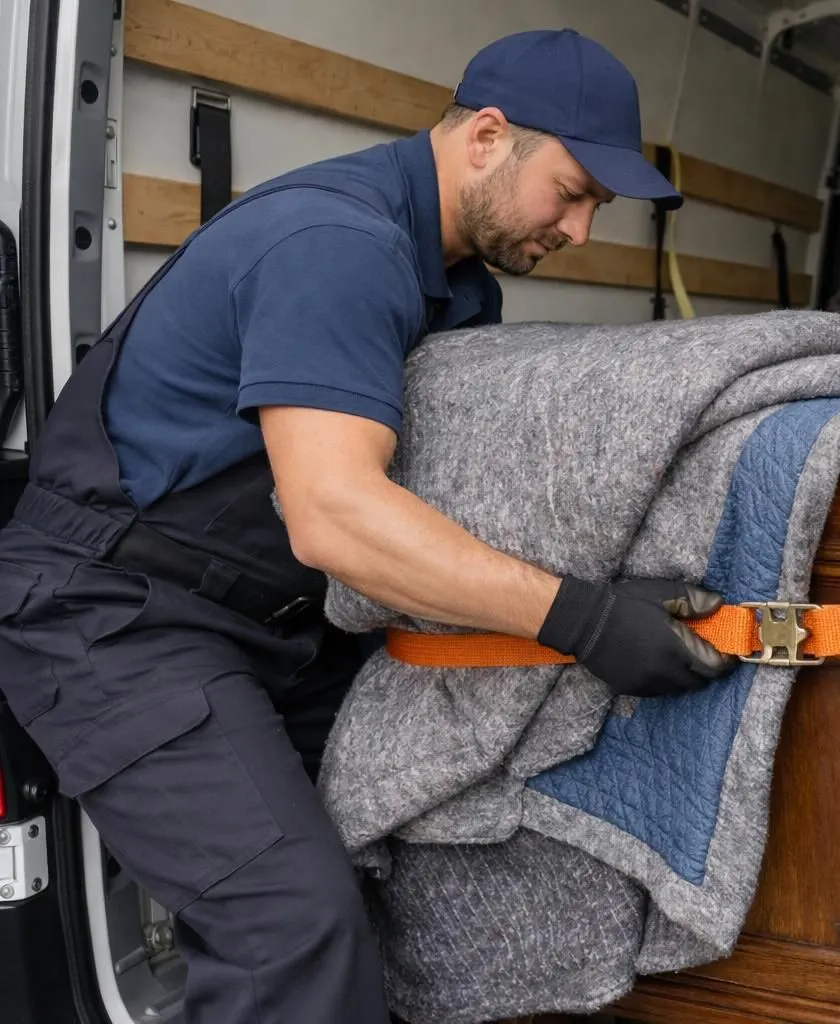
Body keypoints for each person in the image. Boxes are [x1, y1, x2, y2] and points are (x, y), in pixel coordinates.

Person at [0, 27, 735, 1024]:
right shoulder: (337, 245)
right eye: (571, 192)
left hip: (274, 622)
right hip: (115, 616)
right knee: (292, 931)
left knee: (433, 820)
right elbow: (337, 516)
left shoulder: (455, 282)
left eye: (597, 207)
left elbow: (451, 491)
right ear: (486, 136)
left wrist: (605, 582)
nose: (581, 232)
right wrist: (583, 621)